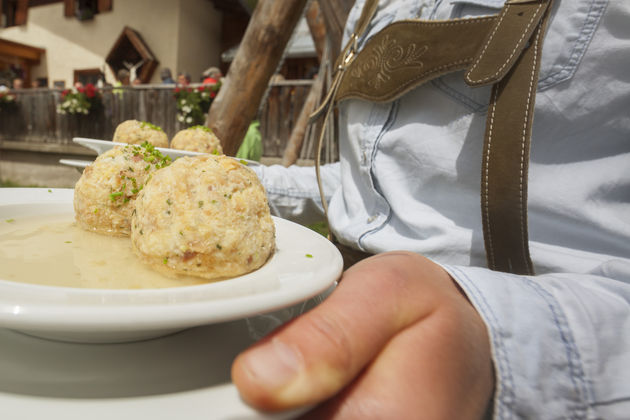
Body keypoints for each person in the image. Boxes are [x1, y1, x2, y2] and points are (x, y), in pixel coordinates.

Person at [231, 0, 630, 418]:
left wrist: (494, 340)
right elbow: (364, 184)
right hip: (314, 323)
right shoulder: (369, 8)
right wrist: (235, 182)